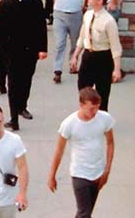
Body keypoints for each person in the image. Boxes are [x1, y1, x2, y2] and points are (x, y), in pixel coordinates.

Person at [0, 0, 47, 131]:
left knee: (26, 80)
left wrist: (43, 49)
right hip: (10, 51)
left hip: (30, 50)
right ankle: (13, 118)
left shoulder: (35, 3)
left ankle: (22, 106)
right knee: (13, 83)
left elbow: (41, 28)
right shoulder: (5, 4)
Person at [47, 87, 115, 218]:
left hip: (98, 173)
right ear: (81, 105)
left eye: (97, 107)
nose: (95, 112)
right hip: (80, 173)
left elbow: (110, 142)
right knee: (85, 213)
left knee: (85, 211)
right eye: (91, 108)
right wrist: (52, 175)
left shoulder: (105, 119)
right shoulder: (69, 124)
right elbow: (59, 151)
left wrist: (107, 170)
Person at [72, 0, 122, 112]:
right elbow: (83, 37)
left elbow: (115, 46)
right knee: (83, 89)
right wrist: (75, 55)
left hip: (103, 57)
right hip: (88, 55)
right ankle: (85, 115)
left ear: (100, 1)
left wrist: (116, 69)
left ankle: (102, 119)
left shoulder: (108, 21)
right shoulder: (88, 15)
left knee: (102, 92)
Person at [50, 0, 92, 85]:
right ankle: (57, 70)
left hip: (75, 13)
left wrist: (84, 6)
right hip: (60, 14)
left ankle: (73, 64)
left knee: (75, 42)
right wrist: (55, 1)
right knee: (59, 43)